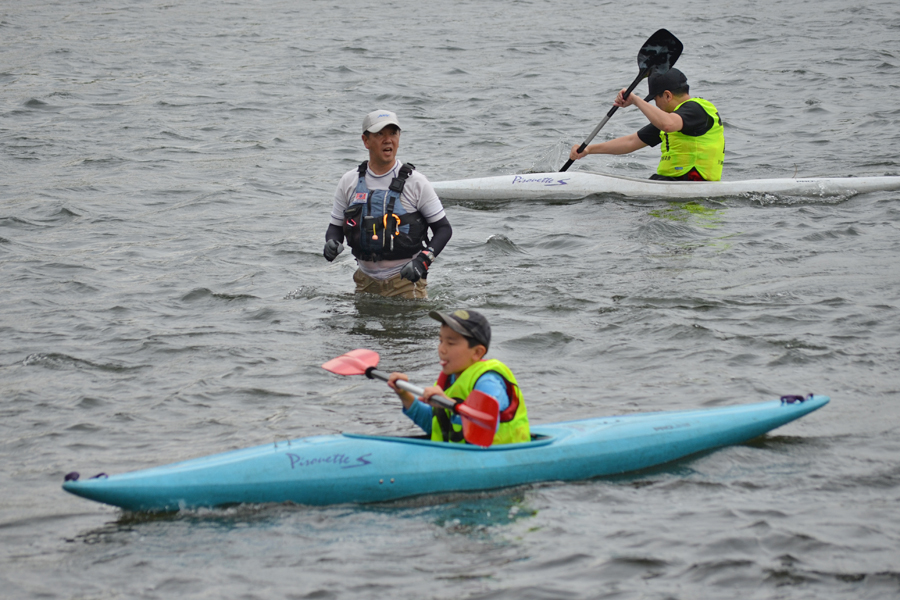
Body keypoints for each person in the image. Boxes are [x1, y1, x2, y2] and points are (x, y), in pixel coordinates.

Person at [323, 110, 452, 299]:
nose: (388, 140)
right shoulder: (348, 181)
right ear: (365, 141)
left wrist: (423, 261)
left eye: (393, 133)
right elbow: (335, 228)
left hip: (406, 282)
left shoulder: (416, 182)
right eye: (380, 134)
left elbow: (443, 229)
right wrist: (331, 243)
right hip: (364, 282)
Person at [387, 309, 530, 445]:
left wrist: (449, 404)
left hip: (499, 458)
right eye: (440, 341)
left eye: (450, 343)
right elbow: (434, 425)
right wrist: (404, 395)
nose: (442, 349)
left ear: (477, 352)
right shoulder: (448, 380)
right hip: (459, 457)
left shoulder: (488, 382)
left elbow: (485, 427)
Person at [568, 68, 724, 181]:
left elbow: (668, 125)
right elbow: (630, 142)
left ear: (668, 95)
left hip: (691, 184)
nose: (656, 105)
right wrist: (588, 150)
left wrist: (636, 100)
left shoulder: (696, 109)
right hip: (669, 185)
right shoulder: (671, 119)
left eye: (656, 100)